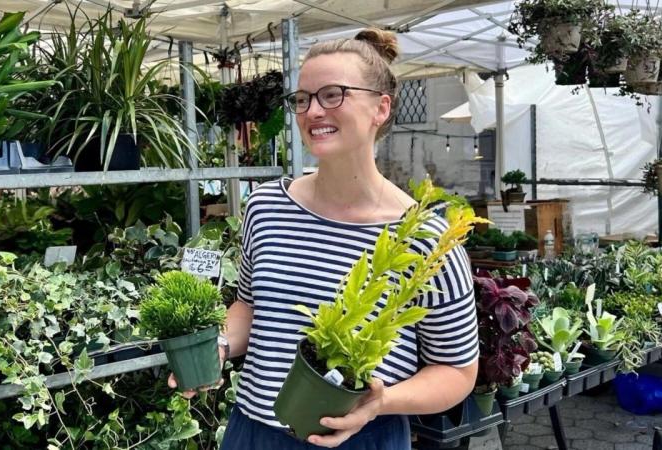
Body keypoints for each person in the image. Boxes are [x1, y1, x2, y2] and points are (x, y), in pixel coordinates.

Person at [170, 28, 479, 449]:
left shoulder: (424, 239)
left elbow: (457, 371)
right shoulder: (266, 207)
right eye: (303, 99)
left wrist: (383, 401)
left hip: (361, 438)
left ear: (381, 108)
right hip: (253, 432)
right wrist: (218, 346)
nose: (313, 111)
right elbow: (249, 305)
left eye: (333, 94)